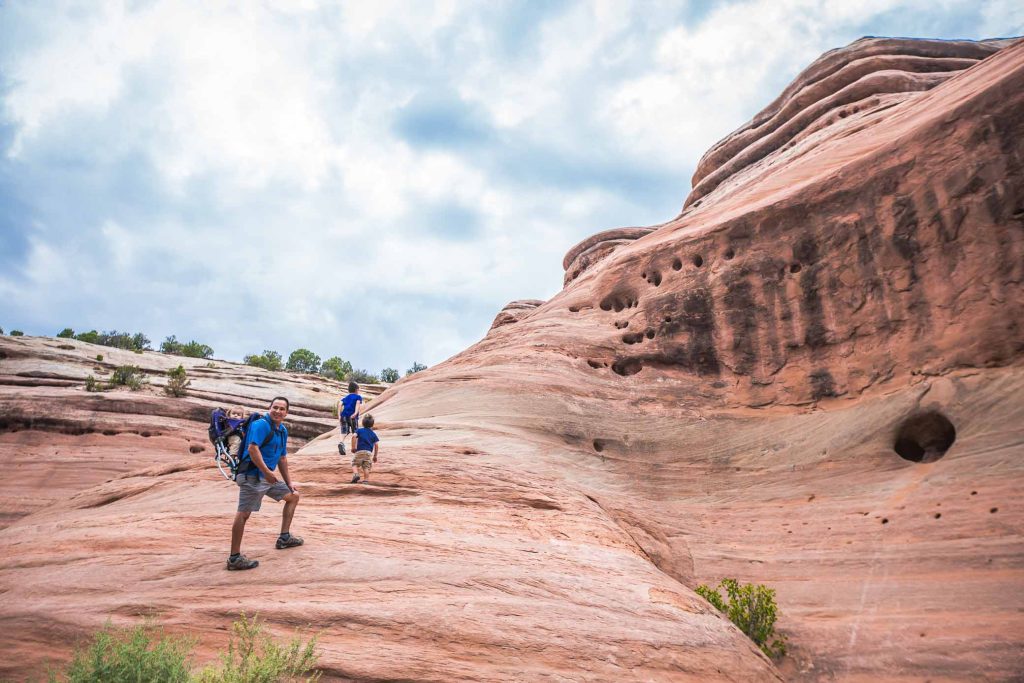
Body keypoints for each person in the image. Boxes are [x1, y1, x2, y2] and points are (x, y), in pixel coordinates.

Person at [227, 397, 303, 571]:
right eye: (275, 407)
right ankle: (234, 558)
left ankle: (284, 537)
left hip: (267, 477)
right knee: (244, 514)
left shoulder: (282, 430)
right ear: (269, 409)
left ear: (286, 412)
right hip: (252, 476)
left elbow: (282, 458)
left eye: (282, 409)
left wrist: (289, 482)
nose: (278, 411)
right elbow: (253, 449)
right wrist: (267, 473)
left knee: (293, 496)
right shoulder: (261, 425)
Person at [350, 413, 380, 484]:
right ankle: (366, 480)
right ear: (372, 424)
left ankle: (356, 474)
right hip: (369, 453)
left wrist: (353, 447)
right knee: (366, 467)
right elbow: (376, 444)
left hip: (359, 451)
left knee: (354, 464)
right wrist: (375, 456)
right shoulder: (373, 433)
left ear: (363, 423)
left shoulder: (359, 430)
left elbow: (353, 437)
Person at [337, 382, 363, 454]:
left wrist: (339, 415)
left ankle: (341, 443)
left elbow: (340, 404)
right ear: (356, 390)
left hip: (343, 416)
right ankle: (355, 448)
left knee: (344, 432)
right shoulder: (358, 397)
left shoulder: (346, 398)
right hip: (352, 416)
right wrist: (355, 413)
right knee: (355, 432)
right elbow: (357, 404)